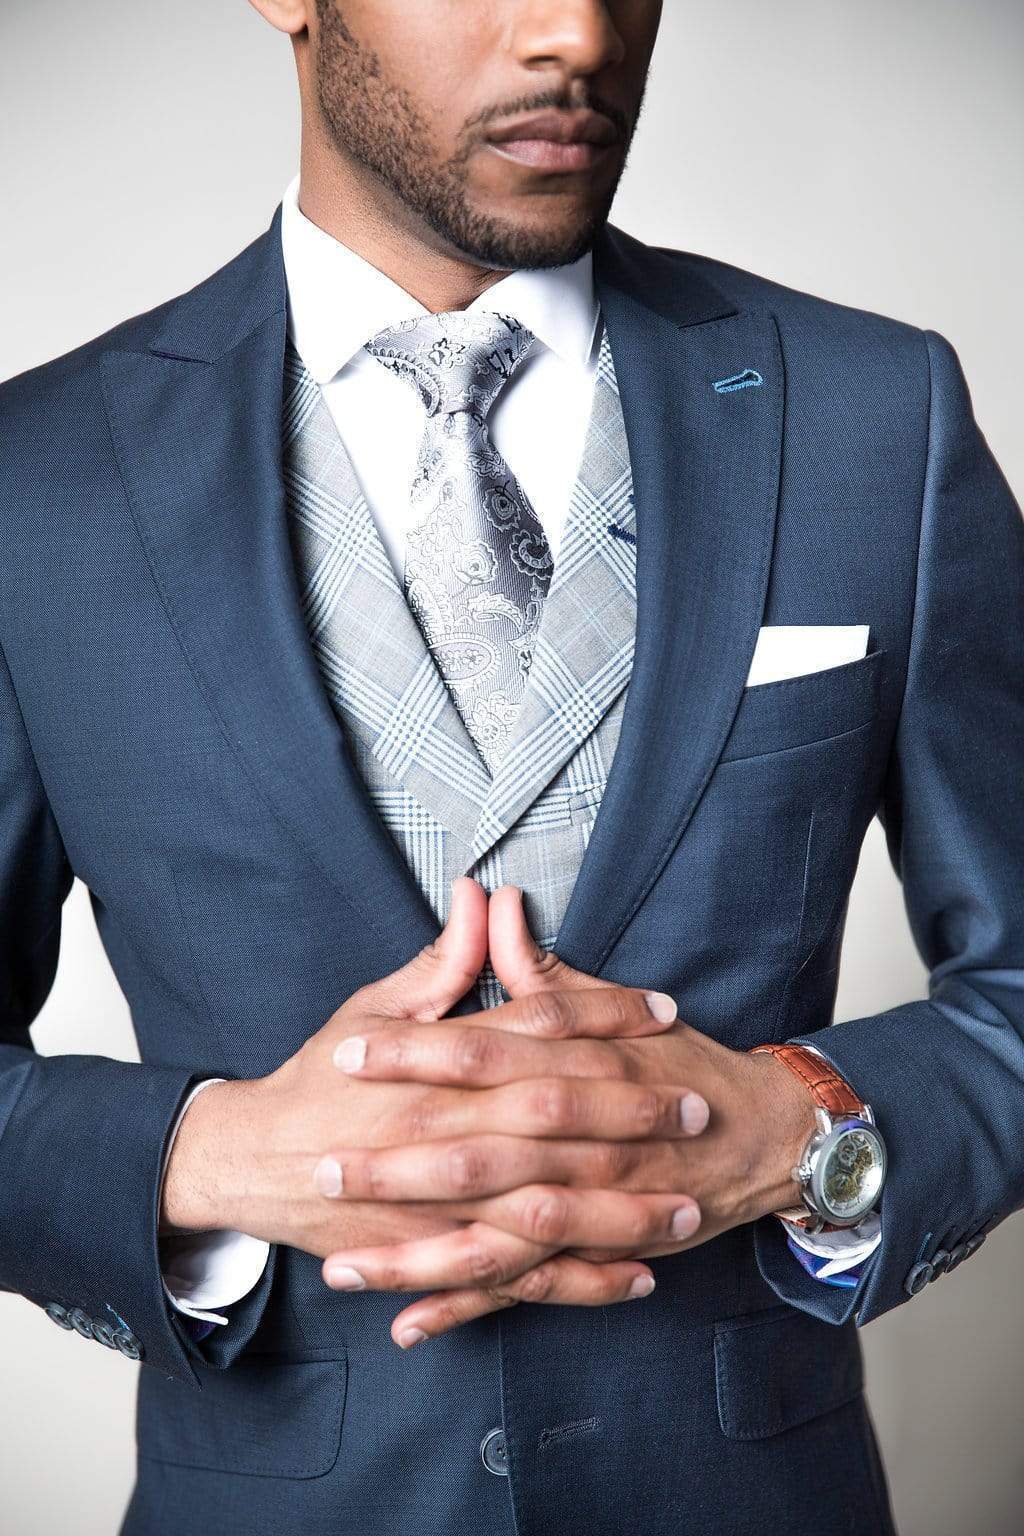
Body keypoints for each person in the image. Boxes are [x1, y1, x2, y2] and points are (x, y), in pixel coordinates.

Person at [1, 2, 1021, 1532]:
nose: (577, 32)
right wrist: (201, 1158)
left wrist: (804, 1126)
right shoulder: (33, 482)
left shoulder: (878, 413)